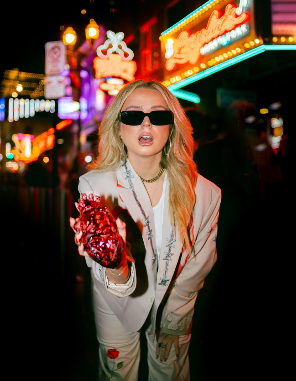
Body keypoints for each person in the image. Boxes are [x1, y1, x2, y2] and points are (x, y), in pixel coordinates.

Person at [69, 80, 221, 381]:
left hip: (176, 299)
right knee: (117, 374)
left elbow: (198, 262)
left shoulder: (206, 193)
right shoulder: (95, 186)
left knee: (170, 372)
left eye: (159, 115)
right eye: (133, 115)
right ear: (118, 127)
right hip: (116, 302)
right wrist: (114, 263)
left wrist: (174, 320)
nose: (146, 123)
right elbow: (105, 271)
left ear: (172, 127)